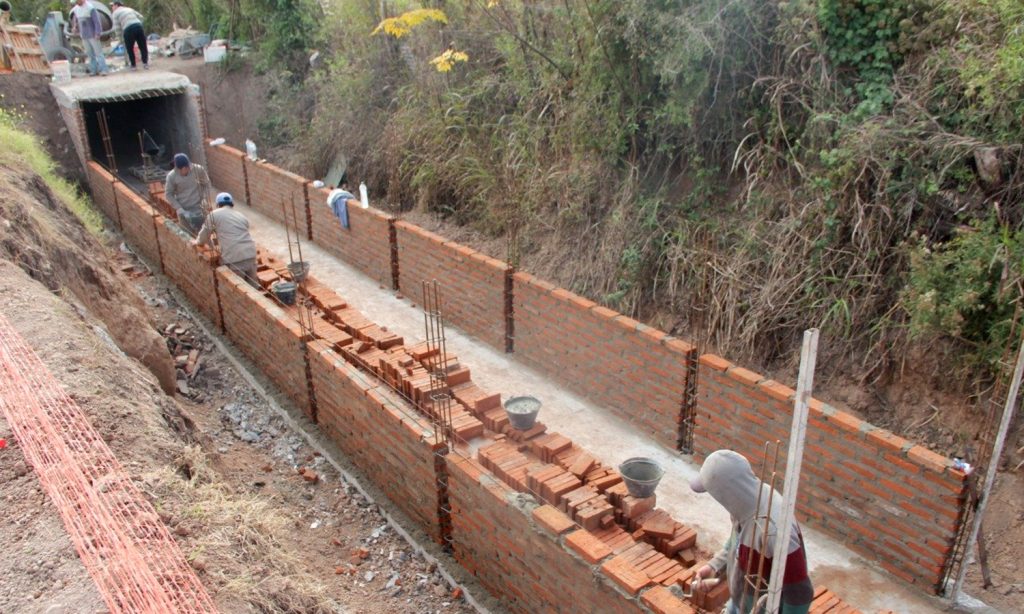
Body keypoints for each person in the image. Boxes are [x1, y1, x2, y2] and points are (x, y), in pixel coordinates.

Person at [690, 450, 813, 614]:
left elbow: (800, 594)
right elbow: (737, 542)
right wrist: (715, 566)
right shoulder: (742, 503)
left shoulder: (775, 532)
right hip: (742, 602)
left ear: (726, 493)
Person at [192, 193, 259, 287]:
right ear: (232, 204)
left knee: (240, 289)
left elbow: (204, 235)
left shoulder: (214, 214)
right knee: (254, 287)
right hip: (250, 255)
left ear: (218, 204)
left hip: (234, 258)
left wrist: (198, 242)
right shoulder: (241, 215)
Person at [164, 154, 210, 235]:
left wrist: (205, 199)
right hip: (184, 210)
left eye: (188, 167)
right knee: (188, 235)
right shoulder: (171, 176)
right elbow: (168, 194)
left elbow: (206, 184)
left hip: (199, 207)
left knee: (205, 233)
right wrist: (179, 208)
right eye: (184, 169)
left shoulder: (198, 170)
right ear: (178, 169)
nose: (187, 169)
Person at [69, 0, 108, 76]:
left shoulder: (90, 8)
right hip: (84, 35)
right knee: (90, 54)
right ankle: (93, 70)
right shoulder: (76, 9)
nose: (76, 3)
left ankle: (103, 69)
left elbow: (97, 21)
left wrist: (97, 32)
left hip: (92, 34)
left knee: (98, 53)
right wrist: (74, 26)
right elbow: (75, 19)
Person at [110, 1, 148, 70]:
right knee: (142, 46)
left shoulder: (115, 13)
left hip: (128, 29)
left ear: (116, 5)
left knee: (129, 48)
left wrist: (120, 38)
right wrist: (139, 24)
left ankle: (133, 65)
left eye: (112, 6)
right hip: (138, 26)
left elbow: (117, 27)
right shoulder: (129, 9)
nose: (112, 7)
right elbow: (141, 17)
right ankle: (145, 63)